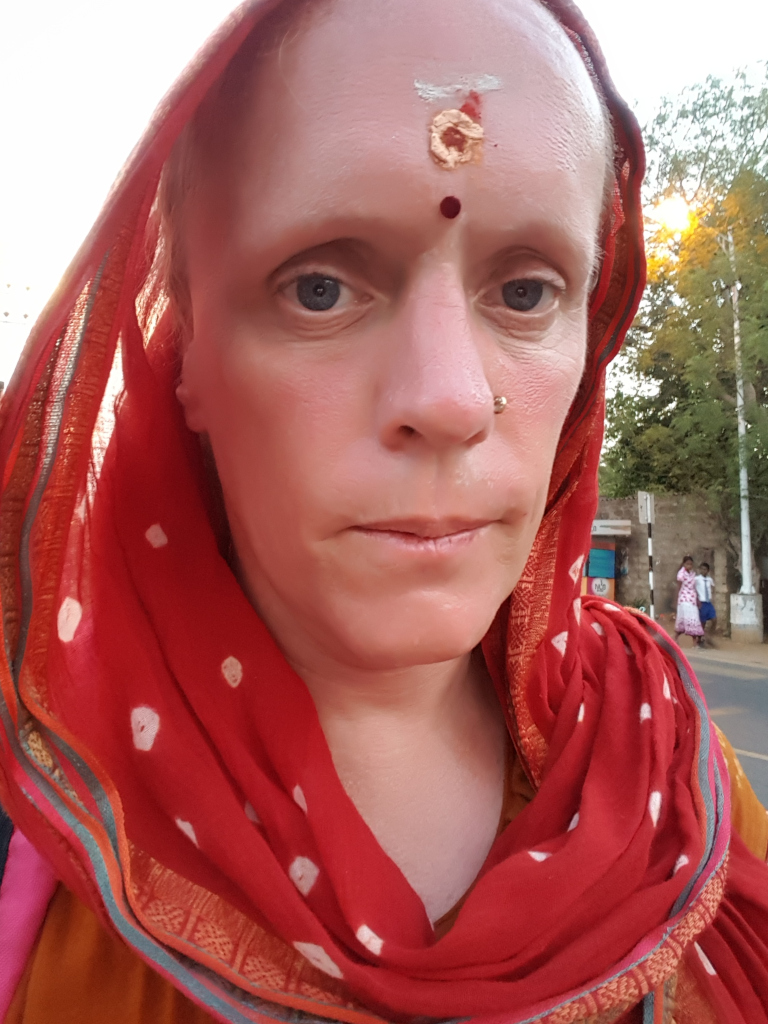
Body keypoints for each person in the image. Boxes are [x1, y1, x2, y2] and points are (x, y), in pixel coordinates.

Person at [0, 2, 767, 1023]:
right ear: (185, 341)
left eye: (529, 292)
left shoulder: (673, 766)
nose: (448, 399)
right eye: (320, 287)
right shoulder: (42, 807)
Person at [675, 555, 705, 648]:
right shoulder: (681, 574)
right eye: (687, 564)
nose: (689, 566)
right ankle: (693, 642)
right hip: (684, 599)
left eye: (691, 564)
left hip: (692, 599)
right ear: (684, 564)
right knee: (690, 619)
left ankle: (678, 638)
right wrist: (678, 598)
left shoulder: (693, 574)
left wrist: (697, 599)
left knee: (693, 620)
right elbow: (679, 587)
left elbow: (694, 587)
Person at [697, 561, 718, 644]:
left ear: (708, 570)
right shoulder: (697, 579)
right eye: (701, 569)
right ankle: (700, 639)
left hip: (708, 602)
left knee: (714, 619)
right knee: (703, 622)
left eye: (705, 569)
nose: (703, 571)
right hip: (702, 602)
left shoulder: (710, 579)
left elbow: (713, 588)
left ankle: (709, 636)